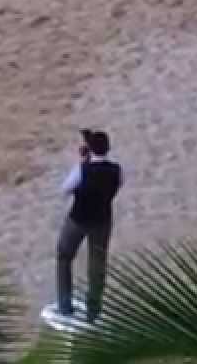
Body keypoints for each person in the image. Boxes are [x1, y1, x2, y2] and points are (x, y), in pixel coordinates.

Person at [56, 128, 123, 323]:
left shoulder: (82, 170)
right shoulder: (117, 170)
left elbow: (65, 189)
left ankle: (65, 305)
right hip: (102, 220)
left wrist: (82, 162)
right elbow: (117, 186)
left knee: (64, 256)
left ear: (89, 149)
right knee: (97, 266)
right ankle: (93, 311)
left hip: (78, 219)